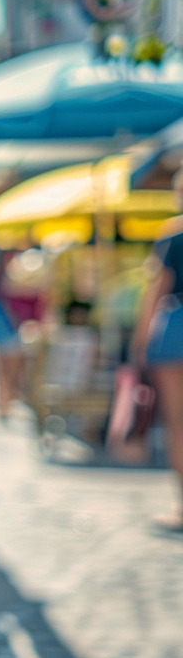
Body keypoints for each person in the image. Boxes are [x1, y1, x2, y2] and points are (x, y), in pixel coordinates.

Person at [133, 174, 183, 530]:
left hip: (176, 328)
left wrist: (139, 342)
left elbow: (156, 289)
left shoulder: (173, 234)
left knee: (178, 423)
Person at [0, 248, 47, 422]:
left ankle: (5, 404)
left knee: (5, 369)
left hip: (1, 325)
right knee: (8, 368)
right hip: (5, 326)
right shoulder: (6, 278)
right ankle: (6, 404)